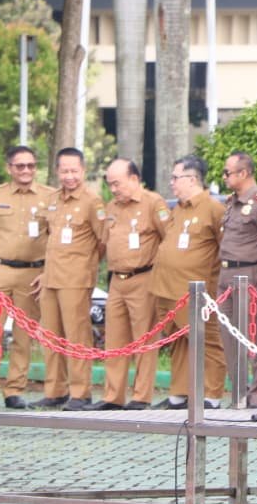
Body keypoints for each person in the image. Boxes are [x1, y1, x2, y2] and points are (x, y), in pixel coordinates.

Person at [0, 145, 54, 409]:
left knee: (23, 336)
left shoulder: (50, 196)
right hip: (0, 272)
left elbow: (55, 238)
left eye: (31, 165)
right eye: (20, 166)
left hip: (32, 274)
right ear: (10, 168)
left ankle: (14, 390)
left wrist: (48, 271)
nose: (26, 170)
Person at [151, 155, 227, 410]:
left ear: (192, 179)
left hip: (196, 291)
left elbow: (224, 248)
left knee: (207, 340)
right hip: (167, 287)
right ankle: (180, 393)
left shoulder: (214, 209)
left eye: (176, 177)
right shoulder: (177, 209)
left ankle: (211, 395)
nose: (171, 183)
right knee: (177, 340)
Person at [94, 158, 169, 411]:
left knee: (143, 340)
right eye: (110, 184)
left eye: (118, 183)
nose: (114, 189)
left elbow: (167, 239)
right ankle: (113, 397)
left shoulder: (153, 203)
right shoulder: (112, 207)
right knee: (114, 340)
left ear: (134, 179)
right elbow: (105, 241)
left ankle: (141, 396)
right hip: (117, 280)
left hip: (143, 278)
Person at [33, 148, 104, 411]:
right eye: (64, 171)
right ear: (57, 171)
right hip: (51, 277)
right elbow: (49, 237)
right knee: (50, 335)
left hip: (76, 278)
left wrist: (85, 267)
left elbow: (102, 241)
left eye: (74, 171)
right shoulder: (53, 200)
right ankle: (55, 390)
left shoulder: (92, 202)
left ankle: (80, 392)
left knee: (77, 336)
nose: (69, 176)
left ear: (83, 171)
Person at [218, 152, 257, 409]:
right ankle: (239, 394)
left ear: (243, 173)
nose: (224, 177)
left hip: (250, 274)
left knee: (254, 335)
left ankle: (256, 395)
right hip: (226, 275)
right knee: (229, 335)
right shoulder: (232, 202)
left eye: (227, 172)